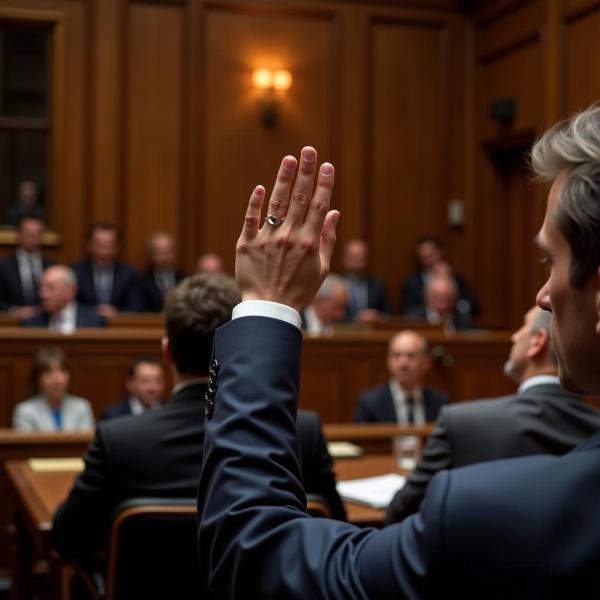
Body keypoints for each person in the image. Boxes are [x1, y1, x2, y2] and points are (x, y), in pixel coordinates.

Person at [197, 114, 600, 597]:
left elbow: (255, 556)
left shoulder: (495, 512)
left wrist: (266, 306)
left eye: (548, 260)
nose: (543, 296)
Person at [53, 274, 344, 571]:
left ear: (167, 352)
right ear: (238, 349)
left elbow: (67, 538)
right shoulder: (301, 432)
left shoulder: (120, 440)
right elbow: (336, 529)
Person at [386, 306, 600, 523]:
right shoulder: (596, 429)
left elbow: (400, 511)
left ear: (538, 342)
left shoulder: (462, 423)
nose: (514, 336)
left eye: (523, 327)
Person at [355, 330, 448, 423]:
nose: (403, 363)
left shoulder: (440, 403)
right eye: (396, 355)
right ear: (388, 361)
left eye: (411, 356)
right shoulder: (370, 403)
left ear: (426, 362)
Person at [13, 347, 94, 431]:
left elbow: (87, 442)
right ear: (37, 378)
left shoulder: (82, 407)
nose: (57, 380)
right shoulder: (25, 411)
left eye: (62, 371)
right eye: (49, 372)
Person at [72, 223, 142, 317]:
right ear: (89, 246)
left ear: (118, 248)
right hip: (84, 326)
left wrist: (117, 313)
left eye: (110, 246)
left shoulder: (129, 274)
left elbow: (136, 306)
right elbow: (70, 304)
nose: (104, 252)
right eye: (99, 246)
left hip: (119, 327)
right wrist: (92, 312)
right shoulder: (76, 271)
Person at [400, 234, 479, 317]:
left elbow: (472, 308)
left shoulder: (457, 279)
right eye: (423, 258)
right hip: (425, 326)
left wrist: (449, 280)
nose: (428, 262)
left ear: (440, 252)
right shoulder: (411, 283)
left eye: (430, 256)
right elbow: (407, 313)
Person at [21, 265, 106, 331]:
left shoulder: (94, 322)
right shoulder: (31, 324)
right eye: (41, 288)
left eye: (50, 288)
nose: (43, 294)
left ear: (70, 291)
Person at [0, 215, 53, 319]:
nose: (32, 239)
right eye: (28, 234)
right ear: (18, 234)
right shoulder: (3, 267)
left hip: (46, 323)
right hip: (14, 323)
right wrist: (14, 310)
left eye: (36, 234)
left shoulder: (52, 267)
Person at [406, 273, 476, 331]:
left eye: (448, 297)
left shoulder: (463, 318)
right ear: (427, 296)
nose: (444, 301)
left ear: (455, 298)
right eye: (438, 296)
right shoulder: (414, 319)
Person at [341, 239, 389, 322]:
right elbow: (328, 314)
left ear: (366, 259)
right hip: (341, 331)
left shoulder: (378, 285)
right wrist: (355, 318)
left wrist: (377, 316)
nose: (357, 260)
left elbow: (388, 313)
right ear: (344, 259)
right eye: (353, 256)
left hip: (372, 330)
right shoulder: (335, 284)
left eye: (361, 256)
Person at [101, 357, 165, 419]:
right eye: (145, 381)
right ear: (130, 384)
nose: (152, 388)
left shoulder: (171, 412)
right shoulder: (113, 415)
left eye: (158, 381)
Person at [139, 232, 186, 311]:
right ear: (151, 255)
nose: (163, 258)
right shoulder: (143, 279)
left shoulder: (183, 277)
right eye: (158, 253)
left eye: (166, 252)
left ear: (173, 253)